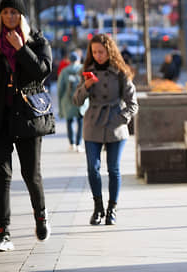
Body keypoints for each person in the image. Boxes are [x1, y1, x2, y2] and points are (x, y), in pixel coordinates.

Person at [0, 0, 52, 252]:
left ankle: (40, 216)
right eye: (5, 12)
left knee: (31, 174)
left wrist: (21, 50)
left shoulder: (37, 43)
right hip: (0, 119)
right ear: (0, 17)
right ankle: (3, 232)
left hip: (27, 116)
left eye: (13, 12)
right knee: (2, 176)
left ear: (22, 16)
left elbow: (42, 71)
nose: (9, 16)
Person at [72, 33, 138, 226]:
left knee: (114, 169)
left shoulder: (120, 72)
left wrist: (121, 118)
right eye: (94, 52)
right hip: (92, 123)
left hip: (114, 124)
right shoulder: (87, 72)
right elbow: (76, 100)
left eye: (101, 51)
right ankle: (98, 207)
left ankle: (112, 209)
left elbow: (133, 103)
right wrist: (86, 86)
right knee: (92, 168)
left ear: (109, 51)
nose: (98, 55)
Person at [57, 50, 88, 152]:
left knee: (69, 121)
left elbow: (60, 89)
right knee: (80, 121)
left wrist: (60, 103)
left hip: (67, 101)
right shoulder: (83, 69)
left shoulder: (64, 71)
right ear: (78, 60)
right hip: (81, 100)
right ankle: (79, 144)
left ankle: (71, 144)